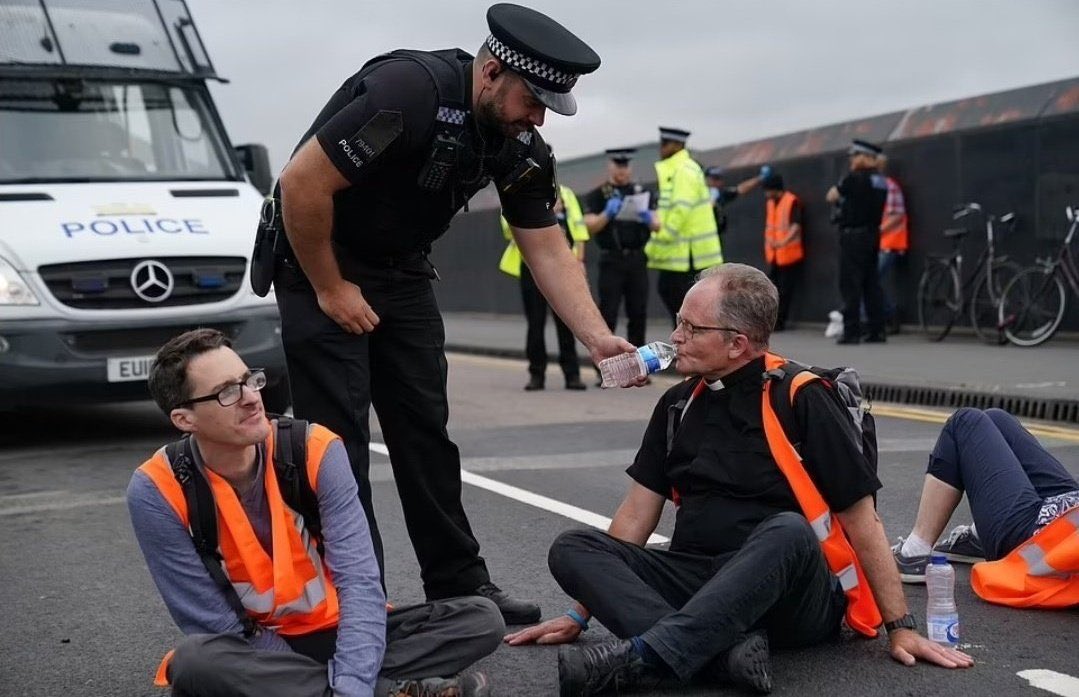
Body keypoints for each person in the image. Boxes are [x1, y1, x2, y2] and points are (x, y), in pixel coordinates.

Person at [272, 4, 634, 624]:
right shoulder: (408, 94)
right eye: (531, 100)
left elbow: (544, 244)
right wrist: (331, 288)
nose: (537, 119)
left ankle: (459, 584)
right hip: (319, 261)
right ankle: (354, 598)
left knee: (425, 434)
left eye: (548, 107)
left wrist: (596, 336)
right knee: (337, 444)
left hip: (401, 270)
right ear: (491, 73)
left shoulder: (519, 145)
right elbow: (301, 185)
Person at [505, 264, 973, 695]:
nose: (676, 336)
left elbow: (862, 520)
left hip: (792, 593)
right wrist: (577, 613)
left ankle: (646, 655)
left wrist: (902, 626)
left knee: (788, 530)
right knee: (573, 548)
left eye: (692, 327)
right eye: (679, 323)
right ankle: (718, 656)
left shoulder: (802, 396)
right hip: (699, 576)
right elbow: (635, 515)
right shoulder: (676, 404)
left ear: (739, 343)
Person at [127, 329, 503, 697]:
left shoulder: (313, 448)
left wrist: (350, 684)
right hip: (254, 646)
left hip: (337, 628)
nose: (251, 398)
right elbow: (211, 620)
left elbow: (359, 582)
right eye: (227, 392)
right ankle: (392, 691)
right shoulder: (156, 489)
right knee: (196, 661)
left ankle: (307, 688)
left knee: (480, 620)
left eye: (249, 380)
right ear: (184, 419)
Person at [892, 408, 1079, 589]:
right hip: (1067, 516)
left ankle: (914, 553)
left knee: (964, 422)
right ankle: (979, 537)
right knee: (997, 419)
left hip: (1039, 538)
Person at [499, 183, 589, 391]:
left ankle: (572, 374)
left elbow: (579, 228)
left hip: (562, 265)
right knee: (535, 322)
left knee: (567, 321)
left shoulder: (566, 193)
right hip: (531, 265)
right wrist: (542, 211)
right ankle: (536, 375)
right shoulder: (514, 192)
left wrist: (580, 261)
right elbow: (507, 229)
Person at [582, 149, 653, 370]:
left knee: (638, 313)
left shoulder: (641, 192)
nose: (622, 170)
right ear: (610, 167)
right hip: (611, 260)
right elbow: (588, 225)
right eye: (618, 165)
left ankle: (638, 365)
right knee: (608, 312)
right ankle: (605, 367)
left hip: (637, 259)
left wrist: (647, 217)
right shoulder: (598, 194)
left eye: (626, 166)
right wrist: (607, 214)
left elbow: (658, 224)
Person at [646, 127, 722, 325]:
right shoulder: (681, 169)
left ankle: (688, 351)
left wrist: (660, 231)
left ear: (676, 145)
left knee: (683, 309)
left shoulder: (683, 171)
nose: (661, 149)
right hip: (683, 255)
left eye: (664, 144)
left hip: (687, 255)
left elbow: (680, 210)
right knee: (682, 310)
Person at [826, 139, 888, 345]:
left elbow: (831, 196)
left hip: (853, 235)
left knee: (851, 284)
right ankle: (877, 330)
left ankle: (851, 331)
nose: (852, 160)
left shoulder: (853, 179)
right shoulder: (880, 180)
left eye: (854, 156)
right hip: (873, 234)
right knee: (872, 283)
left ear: (864, 157)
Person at [761, 173, 804, 331]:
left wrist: (782, 242)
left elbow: (796, 227)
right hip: (775, 255)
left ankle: (780, 322)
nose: (766, 194)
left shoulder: (791, 201)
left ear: (774, 189)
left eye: (767, 190)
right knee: (772, 290)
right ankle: (773, 321)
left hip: (789, 254)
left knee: (785, 292)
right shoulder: (771, 203)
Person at [877, 155, 909, 334]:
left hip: (890, 242)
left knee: (872, 281)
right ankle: (887, 314)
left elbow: (897, 215)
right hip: (881, 242)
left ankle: (890, 312)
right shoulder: (879, 186)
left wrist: (877, 231)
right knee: (871, 281)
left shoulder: (889, 186)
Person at [704, 165, 768, 240]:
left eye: (719, 178)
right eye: (714, 179)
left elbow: (741, 189)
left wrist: (760, 178)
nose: (718, 182)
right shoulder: (699, 194)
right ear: (706, 179)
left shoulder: (720, 194)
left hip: (715, 236)